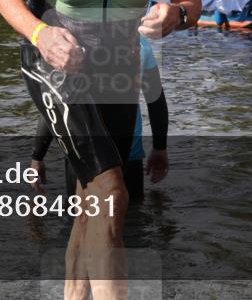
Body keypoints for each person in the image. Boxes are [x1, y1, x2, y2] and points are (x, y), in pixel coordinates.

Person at [0, 0, 200, 298]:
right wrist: (42, 35)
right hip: (54, 59)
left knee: (93, 200)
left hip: (117, 66)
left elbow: (191, 0)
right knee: (112, 193)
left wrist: (177, 14)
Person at [30, 34, 169, 204]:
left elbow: (55, 103)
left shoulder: (71, 47)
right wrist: (160, 147)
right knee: (132, 219)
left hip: (81, 151)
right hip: (128, 150)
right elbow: (156, 100)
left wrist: (37, 156)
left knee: (80, 218)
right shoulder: (141, 44)